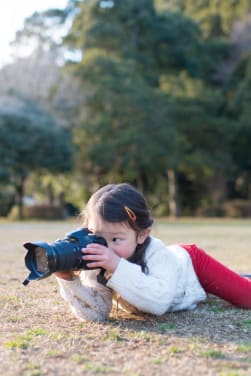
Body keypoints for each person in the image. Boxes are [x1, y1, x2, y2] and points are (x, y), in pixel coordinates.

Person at [54, 183, 251, 322]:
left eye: (116, 239)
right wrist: (67, 278)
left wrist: (116, 266)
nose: (106, 247)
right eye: (97, 236)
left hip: (191, 264)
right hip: (173, 274)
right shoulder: (99, 257)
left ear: (142, 235)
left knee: (246, 296)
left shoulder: (155, 253)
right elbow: (96, 314)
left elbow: (159, 304)